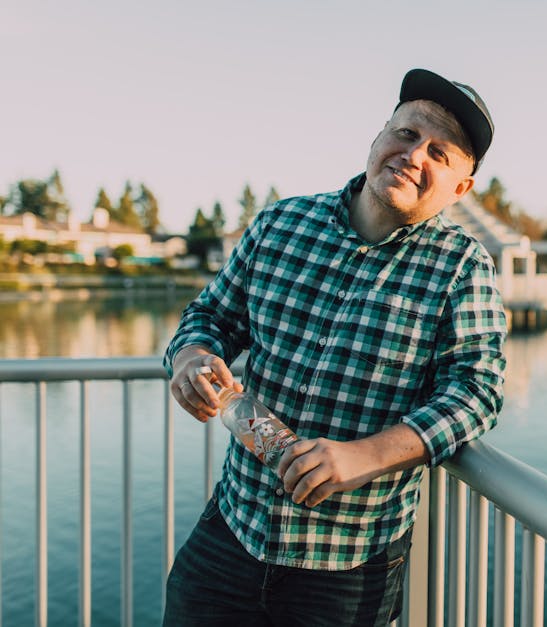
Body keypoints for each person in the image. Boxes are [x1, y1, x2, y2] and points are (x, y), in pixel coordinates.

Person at [161, 68, 507, 626]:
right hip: (231, 535)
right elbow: (209, 316)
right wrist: (191, 359)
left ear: (459, 189)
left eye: (439, 153)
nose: (414, 155)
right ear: (377, 139)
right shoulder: (281, 223)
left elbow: (477, 392)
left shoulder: (463, 266)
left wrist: (364, 457)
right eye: (406, 133)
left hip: (347, 567)